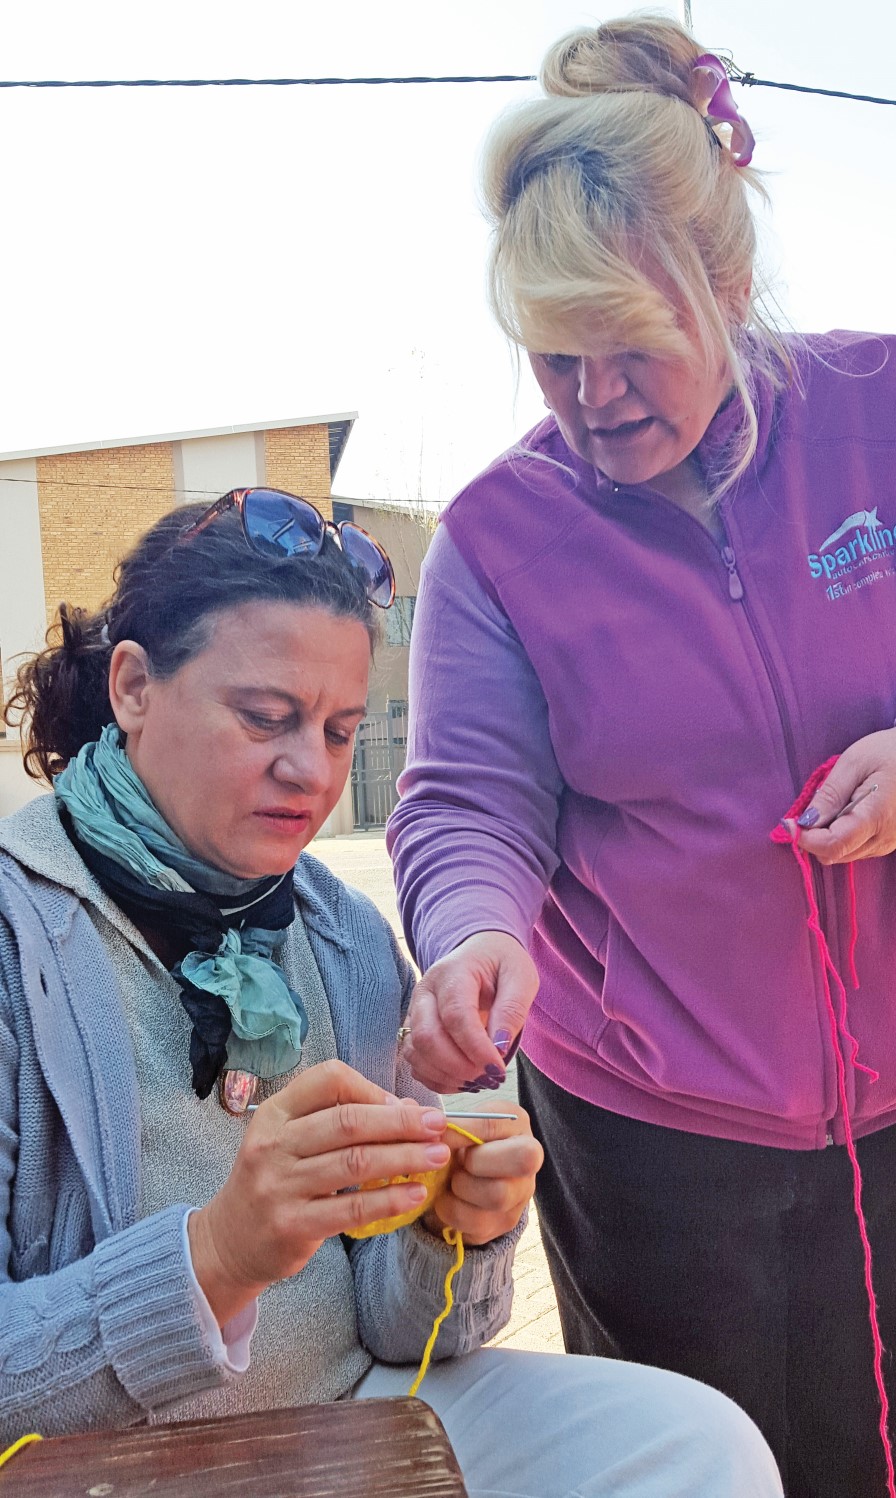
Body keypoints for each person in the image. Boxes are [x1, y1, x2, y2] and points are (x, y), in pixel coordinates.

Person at [386, 15, 896, 1498]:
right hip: (644, 1116)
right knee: (686, 1460)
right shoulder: (501, 540)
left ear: (732, 285)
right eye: (552, 358)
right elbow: (466, 800)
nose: (592, 400)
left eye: (632, 347)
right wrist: (474, 934)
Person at [0, 489, 782, 1498]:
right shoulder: (23, 935)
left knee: (696, 1446)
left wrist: (450, 1224)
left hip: (346, 1416)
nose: (309, 772)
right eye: (265, 717)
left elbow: (408, 1334)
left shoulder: (340, 931)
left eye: (338, 729)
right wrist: (216, 1258)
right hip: (100, 1468)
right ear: (135, 685)